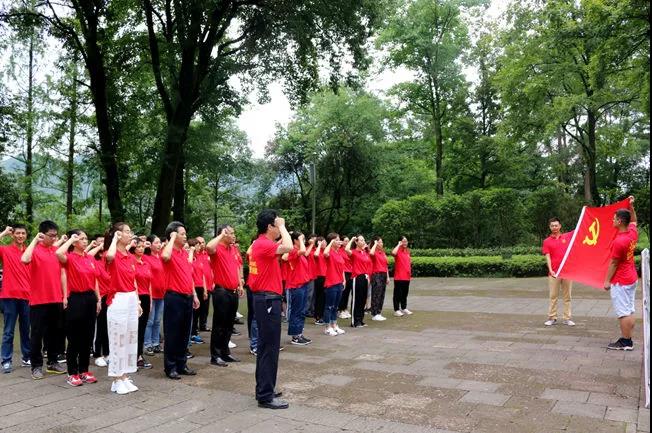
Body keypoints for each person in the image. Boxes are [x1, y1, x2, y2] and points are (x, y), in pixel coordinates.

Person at [250, 209, 292, 409]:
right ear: (270, 226)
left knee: (266, 346)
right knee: (269, 347)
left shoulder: (260, 244)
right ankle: (265, 395)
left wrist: (281, 228)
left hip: (266, 298)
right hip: (267, 299)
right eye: (276, 225)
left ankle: (264, 388)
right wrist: (283, 226)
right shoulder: (264, 244)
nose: (279, 228)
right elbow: (289, 247)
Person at [21, 220, 67, 379]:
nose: (54, 238)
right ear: (42, 235)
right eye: (51, 235)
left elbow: (63, 273)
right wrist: (35, 240)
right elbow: (24, 259)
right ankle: (36, 366)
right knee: (37, 334)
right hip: (38, 300)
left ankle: (53, 362)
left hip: (56, 298)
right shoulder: (34, 250)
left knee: (54, 333)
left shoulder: (56, 251)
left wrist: (64, 296)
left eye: (56, 235)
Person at [56, 230, 101, 386]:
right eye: (81, 238)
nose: (85, 241)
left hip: (90, 298)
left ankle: (84, 370)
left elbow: (95, 280)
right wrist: (70, 240)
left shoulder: (89, 258)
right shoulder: (70, 257)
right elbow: (58, 253)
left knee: (88, 337)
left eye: (86, 238)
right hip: (76, 298)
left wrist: (98, 299)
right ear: (74, 241)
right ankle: (72, 372)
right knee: (75, 337)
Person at [104, 222, 141, 394]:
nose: (130, 234)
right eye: (127, 231)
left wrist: (138, 301)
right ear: (118, 234)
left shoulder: (130, 256)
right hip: (118, 298)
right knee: (117, 340)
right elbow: (110, 256)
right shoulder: (111, 253)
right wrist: (114, 239)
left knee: (129, 339)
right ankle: (116, 379)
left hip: (131, 298)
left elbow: (134, 281)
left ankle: (125, 375)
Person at [161, 221, 199, 380]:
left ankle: (182, 364)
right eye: (182, 234)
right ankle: (170, 366)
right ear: (173, 235)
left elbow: (188, 275)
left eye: (185, 234)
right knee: (173, 333)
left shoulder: (184, 253)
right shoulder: (168, 250)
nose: (185, 236)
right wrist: (171, 238)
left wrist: (194, 294)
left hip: (187, 296)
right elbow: (165, 256)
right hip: (174, 297)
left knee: (184, 333)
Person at [206, 225, 243, 366]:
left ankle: (225, 352)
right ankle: (215, 355)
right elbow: (209, 247)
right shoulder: (217, 249)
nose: (234, 236)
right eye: (231, 233)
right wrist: (221, 235)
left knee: (229, 324)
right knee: (219, 325)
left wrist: (239, 284)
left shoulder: (232, 249)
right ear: (223, 234)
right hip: (221, 291)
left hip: (233, 291)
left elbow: (236, 267)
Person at [604, 196, 638, 350]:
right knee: (629, 310)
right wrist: (631, 207)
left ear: (619, 221)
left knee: (623, 312)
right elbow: (634, 221)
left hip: (621, 281)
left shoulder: (619, 241)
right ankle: (628, 338)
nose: (612, 220)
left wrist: (607, 281)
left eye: (614, 218)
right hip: (631, 277)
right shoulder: (632, 233)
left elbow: (614, 263)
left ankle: (626, 342)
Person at [0, 225, 31, 373]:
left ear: (26, 235)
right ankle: (6, 360)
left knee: (26, 329)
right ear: (13, 235)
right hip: (9, 296)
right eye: (17, 233)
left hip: (27, 296)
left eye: (23, 233)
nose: (20, 236)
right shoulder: (5, 250)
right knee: (8, 331)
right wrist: (4, 233)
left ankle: (27, 357)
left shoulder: (29, 252)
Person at [542, 218, 575, 326]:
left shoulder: (567, 237)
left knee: (567, 297)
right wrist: (550, 270)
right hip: (554, 273)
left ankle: (567, 318)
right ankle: (552, 318)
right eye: (552, 226)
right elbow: (547, 256)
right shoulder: (547, 241)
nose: (554, 227)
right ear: (550, 227)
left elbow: (579, 230)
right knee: (553, 296)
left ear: (560, 226)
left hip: (567, 272)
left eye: (556, 225)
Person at [282, 232, 312, 346]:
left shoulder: (298, 252)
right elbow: (303, 251)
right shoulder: (293, 251)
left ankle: (299, 333)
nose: (303, 241)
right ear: (295, 240)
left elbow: (304, 252)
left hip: (302, 284)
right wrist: (299, 238)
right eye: (301, 239)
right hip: (295, 286)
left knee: (301, 311)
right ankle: (295, 336)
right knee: (296, 311)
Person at [131, 238, 153, 369]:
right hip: (135, 297)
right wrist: (137, 300)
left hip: (146, 297)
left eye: (142, 246)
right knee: (135, 328)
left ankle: (139, 354)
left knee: (142, 328)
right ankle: (135, 356)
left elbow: (149, 283)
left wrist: (150, 300)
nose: (141, 249)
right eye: (138, 246)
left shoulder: (146, 263)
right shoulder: (131, 262)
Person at [90, 235, 110, 367]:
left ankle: (107, 353)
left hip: (109, 296)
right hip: (99, 296)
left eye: (104, 241)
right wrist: (97, 247)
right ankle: (97, 353)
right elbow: (88, 254)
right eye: (99, 242)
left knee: (108, 326)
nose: (102, 244)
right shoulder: (92, 259)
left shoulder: (106, 258)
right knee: (99, 327)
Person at [143, 235, 164, 356]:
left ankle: (156, 343)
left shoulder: (161, 256)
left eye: (159, 242)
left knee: (157, 320)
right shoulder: (146, 257)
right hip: (151, 293)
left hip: (161, 293)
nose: (159, 244)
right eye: (156, 242)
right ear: (150, 245)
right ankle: (147, 344)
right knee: (150, 321)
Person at [345, 235, 372, 328]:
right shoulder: (354, 252)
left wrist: (368, 278)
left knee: (362, 299)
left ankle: (360, 320)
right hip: (357, 277)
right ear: (356, 242)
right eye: (361, 240)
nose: (363, 241)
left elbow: (368, 265)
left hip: (365, 277)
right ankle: (354, 322)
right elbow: (346, 249)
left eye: (364, 240)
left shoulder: (364, 252)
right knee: (356, 299)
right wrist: (352, 239)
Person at [322, 233, 346, 336]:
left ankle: (334, 325)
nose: (339, 241)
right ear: (331, 241)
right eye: (337, 240)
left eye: (339, 239)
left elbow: (342, 268)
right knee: (329, 306)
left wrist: (344, 280)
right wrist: (331, 242)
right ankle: (327, 327)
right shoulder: (329, 252)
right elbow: (325, 253)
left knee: (336, 306)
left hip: (339, 282)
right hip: (331, 282)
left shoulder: (338, 253)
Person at [189, 238, 208, 345]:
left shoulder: (199, 257)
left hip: (200, 286)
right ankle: (191, 333)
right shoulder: (190, 258)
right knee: (194, 312)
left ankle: (194, 332)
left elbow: (203, 274)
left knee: (198, 311)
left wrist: (205, 289)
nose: (199, 247)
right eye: (197, 245)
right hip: (194, 287)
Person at [369, 236, 389, 321]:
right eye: (380, 242)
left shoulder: (382, 252)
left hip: (383, 274)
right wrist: (375, 244)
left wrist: (388, 277)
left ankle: (379, 312)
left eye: (382, 242)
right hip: (376, 274)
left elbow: (386, 265)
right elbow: (371, 253)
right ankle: (374, 313)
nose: (381, 243)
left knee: (381, 294)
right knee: (376, 294)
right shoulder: (373, 251)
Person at [392, 236, 413, 316]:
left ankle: (404, 308)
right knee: (398, 294)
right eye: (403, 241)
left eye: (406, 241)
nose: (405, 243)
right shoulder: (397, 250)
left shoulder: (407, 251)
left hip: (407, 277)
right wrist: (398, 245)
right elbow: (393, 253)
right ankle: (396, 310)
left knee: (405, 294)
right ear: (400, 242)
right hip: (399, 277)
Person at [313, 237, 327, 325]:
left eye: (325, 242)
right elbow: (316, 255)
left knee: (324, 297)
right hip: (319, 276)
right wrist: (319, 245)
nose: (325, 243)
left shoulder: (326, 251)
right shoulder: (317, 250)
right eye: (323, 242)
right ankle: (318, 316)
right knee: (319, 298)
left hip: (326, 276)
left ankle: (322, 315)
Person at [338, 237, 353, 319]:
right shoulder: (339, 251)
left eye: (348, 241)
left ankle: (345, 308)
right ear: (342, 242)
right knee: (344, 292)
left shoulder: (349, 251)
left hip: (350, 272)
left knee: (347, 292)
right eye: (345, 241)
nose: (347, 242)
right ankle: (340, 310)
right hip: (344, 272)